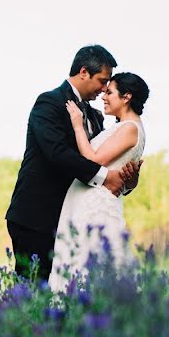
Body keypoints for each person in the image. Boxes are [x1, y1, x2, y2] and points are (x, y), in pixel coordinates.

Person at [5, 45, 141, 280]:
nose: (104, 89)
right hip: (38, 217)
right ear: (84, 72)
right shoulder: (49, 103)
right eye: (102, 81)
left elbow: (106, 166)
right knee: (32, 296)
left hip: (74, 220)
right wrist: (105, 176)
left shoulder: (96, 117)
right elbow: (57, 153)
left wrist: (128, 180)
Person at [48, 72, 148, 293]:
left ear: (127, 97)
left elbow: (92, 160)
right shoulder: (120, 127)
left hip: (95, 207)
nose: (104, 95)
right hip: (86, 202)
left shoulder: (130, 128)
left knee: (87, 266)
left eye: (110, 92)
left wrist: (77, 126)